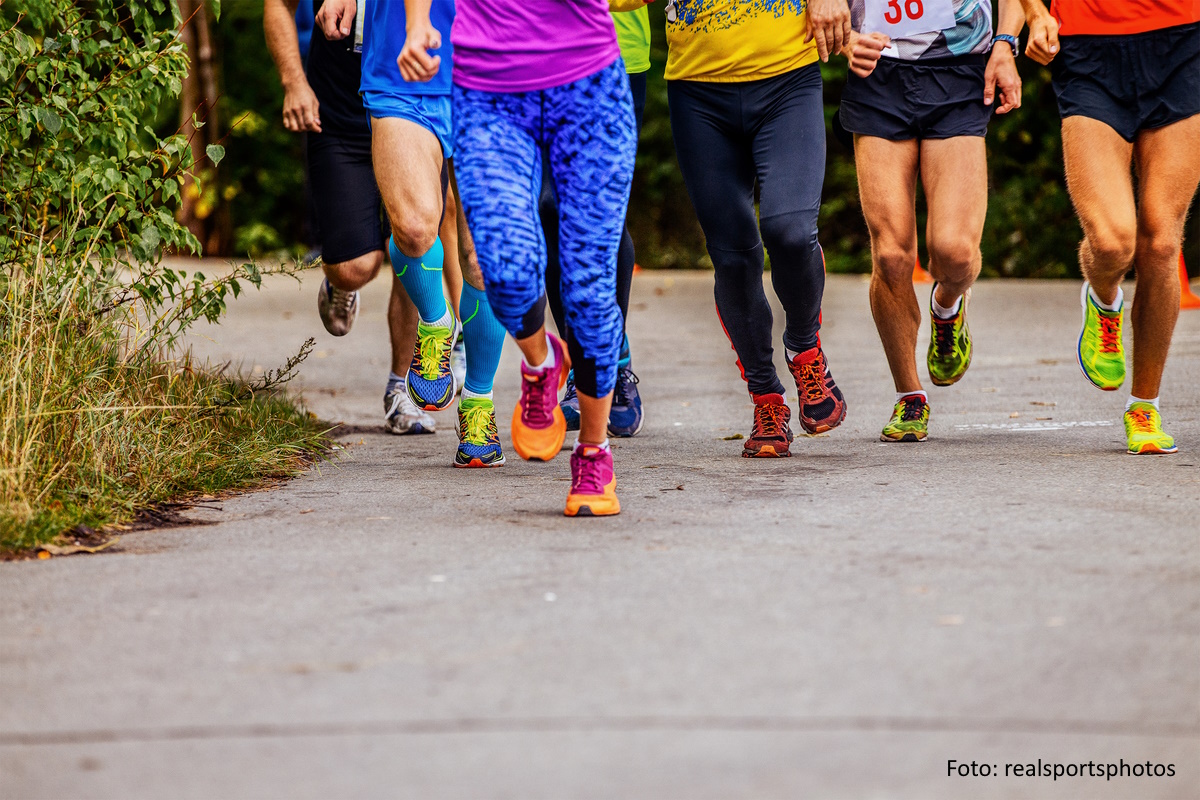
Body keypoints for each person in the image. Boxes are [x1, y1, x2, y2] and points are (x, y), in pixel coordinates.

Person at [402, 0, 637, 515]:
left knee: (589, 292)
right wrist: (417, 24)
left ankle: (594, 454)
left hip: (589, 87)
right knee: (502, 270)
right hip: (489, 92)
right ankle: (542, 360)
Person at [316, 0, 510, 468]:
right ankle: (436, 322)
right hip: (402, 62)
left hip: (500, 69)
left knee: (484, 255)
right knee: (414, 226)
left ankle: (478, 404)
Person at [663, 0, 857, 458]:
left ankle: (805, 349)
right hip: (697, 88)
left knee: (789, 230)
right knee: (732, 255)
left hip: (787, 74)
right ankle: (766, 397)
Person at [1020, 0, 1200, 454]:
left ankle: (1144, 406)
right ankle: (1103, 298)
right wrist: (1034, 12)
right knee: (1112, 242)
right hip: (1087, 46)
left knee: (1161, 241)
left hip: (1184, 40)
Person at [840, 0, 1024, 442]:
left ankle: (947, 307)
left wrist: (1005, 42)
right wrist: (845, 37)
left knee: (955, 252)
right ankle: (909, 396)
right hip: (877, 69)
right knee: (891, 255)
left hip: (961, 68)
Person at [264, 0, 436, 437]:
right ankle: (341, 283)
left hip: (410, 109)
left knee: (415, 240)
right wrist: (294, 83)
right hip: (340, 121)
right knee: (358, 265)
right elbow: (278, 6)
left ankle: (401, 389)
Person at [542, 1, 651, 439]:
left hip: (617, 49)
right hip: (535, 51)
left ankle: (610, 368)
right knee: (549, 208)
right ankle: (583, 361)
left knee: (600, 212)